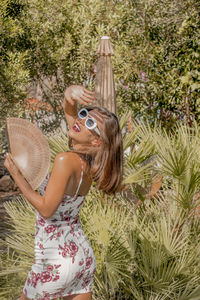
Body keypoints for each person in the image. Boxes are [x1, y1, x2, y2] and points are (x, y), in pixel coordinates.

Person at [4, 85, 123, 300]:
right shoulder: (89, 163)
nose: (79, 120)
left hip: (54, 258)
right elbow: (71, 115)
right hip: (81, 257)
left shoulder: (65, 160)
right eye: (84, 114)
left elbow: (47, 209)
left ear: (96, 141)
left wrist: (16, 174)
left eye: (89, 123)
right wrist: (69, 95)